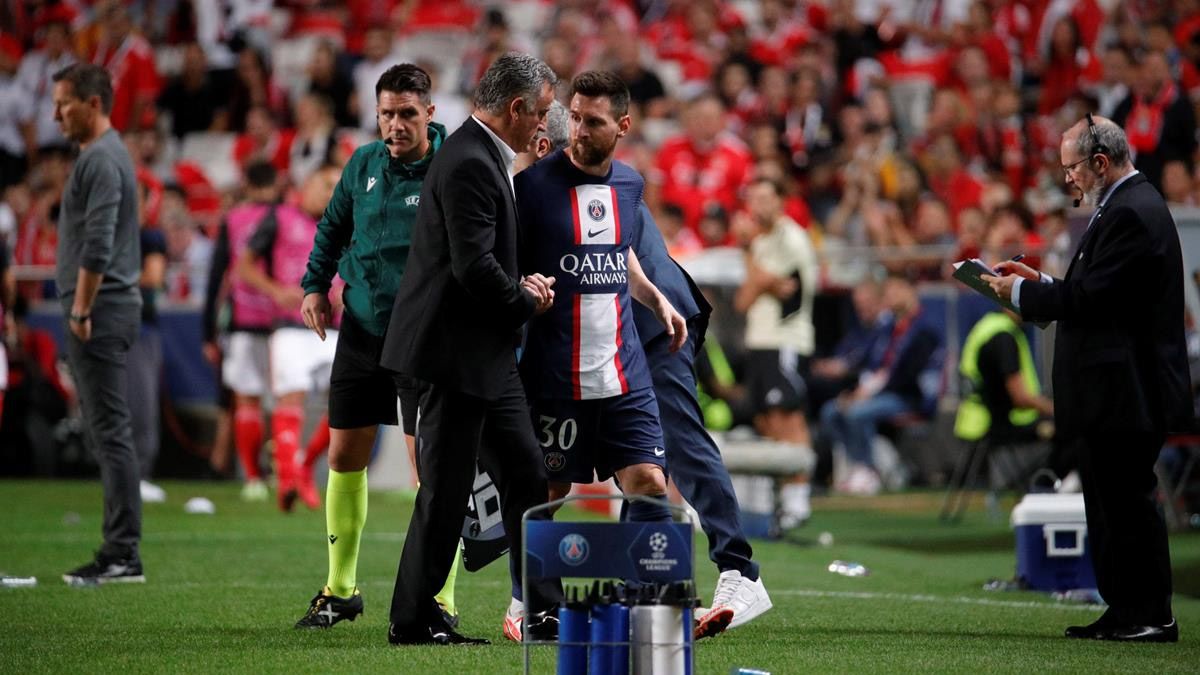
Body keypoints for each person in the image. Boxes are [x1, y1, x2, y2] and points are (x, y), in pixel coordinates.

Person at [986, 115, 1191, 643]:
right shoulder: (1126, 206)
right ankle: (1127, 610)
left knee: (1125, 504)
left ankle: (1150, 614)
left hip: (1127, 389)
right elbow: (1095, 289)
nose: (1068, 178)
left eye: (1071, 168)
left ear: (1100, 163)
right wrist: (1044, 282)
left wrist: (1020, 296)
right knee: (1109, 503)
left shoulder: (1131, 211)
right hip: (1116, 388)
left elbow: (1091, 300)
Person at [379, 52, 560, 646]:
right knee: (447, 489)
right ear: (514, 108)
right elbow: (474, 267)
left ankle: (540, 607)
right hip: (450, 354)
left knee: (529, 471)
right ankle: (412, 617)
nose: (543, 126)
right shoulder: (469, 162)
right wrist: (524, 300)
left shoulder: (480, 156)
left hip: (482, 353)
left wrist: (516, 295)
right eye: (539, 113)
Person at [510, 71, 691, 640]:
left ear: (624, 126)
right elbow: (502, 260)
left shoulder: (632, 185)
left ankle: (652, 606)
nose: (579, 131)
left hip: (623, 369)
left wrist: (656, 297)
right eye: (575, 116)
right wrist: (522, 292)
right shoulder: (533, 186)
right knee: (548, 493)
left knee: (648, 482)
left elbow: (618, 252)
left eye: (594, 121)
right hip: (554, 373)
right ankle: (528, 607)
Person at [293, 64, 455, 629]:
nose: (394, 124)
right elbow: (333, 227)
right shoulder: (362, 164)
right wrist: (315, 284)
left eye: (407, 113)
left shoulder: (452, 169)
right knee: (343, 456)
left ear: (429, 114)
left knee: (432, 472)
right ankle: (341, 590)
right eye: (386, 113)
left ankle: (439, 598)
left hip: (423, 338)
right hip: (360, 330)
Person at [52, 63, 145, 585]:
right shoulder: (97, 157)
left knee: (110, 432)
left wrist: (83, 308)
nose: (55, 114)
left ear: (92, 102)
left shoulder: (102, 161)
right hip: (104, 306)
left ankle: (122, 554)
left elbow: (99, 241)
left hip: (102, 308)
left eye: (64, 102)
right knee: (106, 430)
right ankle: (119, 549)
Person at [233, 162, 334, 513]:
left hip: (334, 326)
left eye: (338, 185)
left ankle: (303, 468)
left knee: (347, 404)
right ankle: (287, 480)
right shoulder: (279, 218)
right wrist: (275, 291)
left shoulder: (346, 223)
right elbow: (243, 266)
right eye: (326, 183)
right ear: (306, 185)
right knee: (292, 397)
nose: (332, 191)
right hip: (290, 325)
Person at [817, 274, 940, 495]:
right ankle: (858, 464)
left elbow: (906, 375)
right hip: (881, 393)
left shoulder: (924, 328)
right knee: (831, 411)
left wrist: (869, 393)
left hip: (909, 397)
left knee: (857, 412)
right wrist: (857, 391)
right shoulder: (888, 329)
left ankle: (869, 469)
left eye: (896, 290)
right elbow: (873, 366)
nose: (890, 297)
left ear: (910, 291)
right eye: (888, 292)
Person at [204, 161, 281, 503]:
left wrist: (207, 331)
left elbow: (217, 275)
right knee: (283, 401)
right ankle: (282, 472)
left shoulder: (233, 220)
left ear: (247, 183)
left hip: (242, 321)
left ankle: (252, 477)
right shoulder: (288, 216)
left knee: (246, 399)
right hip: (285, 321)